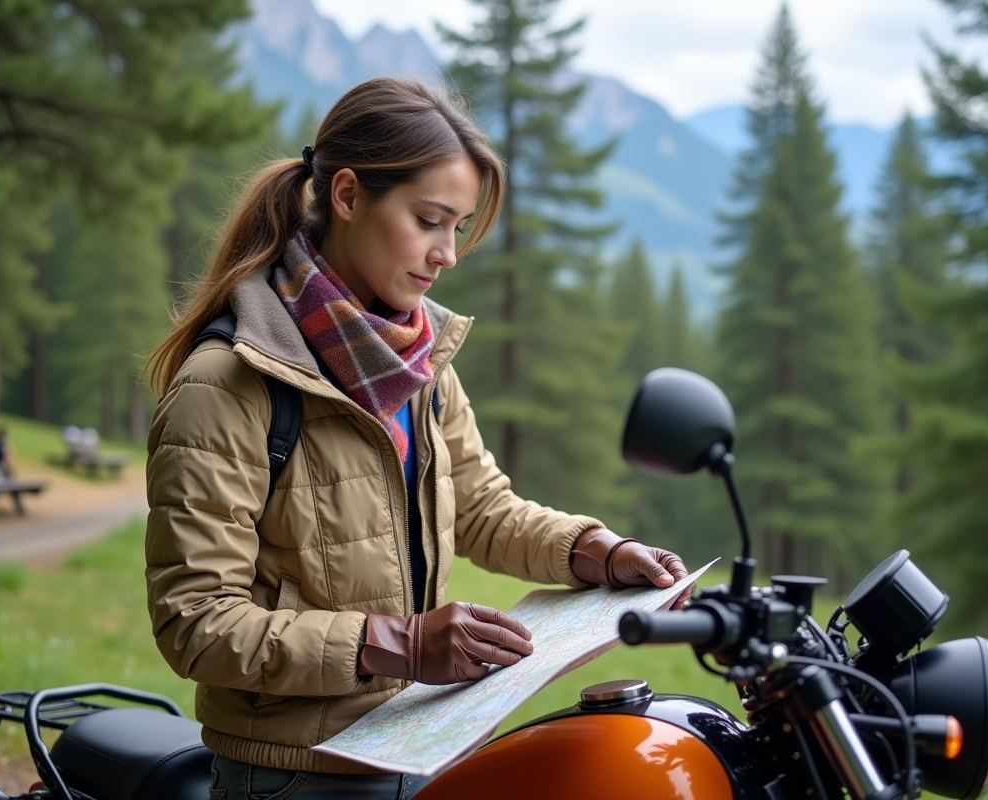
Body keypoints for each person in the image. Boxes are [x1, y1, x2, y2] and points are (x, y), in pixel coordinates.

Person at [143, 77, 693, 800]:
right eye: (430, 221)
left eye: (457, 228)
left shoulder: (418, 361)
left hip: (417, 745)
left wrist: (598, 551)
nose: (447, 254)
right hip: (294, 776)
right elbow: (196, 623)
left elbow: (482, 509)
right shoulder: (227, 383)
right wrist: (401, 644)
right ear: (348, 196)